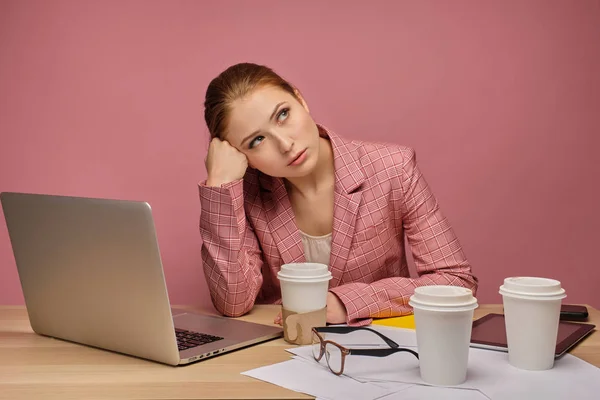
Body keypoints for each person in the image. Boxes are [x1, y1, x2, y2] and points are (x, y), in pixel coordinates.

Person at [198, 62, 478, 327]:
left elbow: (455, 281)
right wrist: (220, 186)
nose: (285, 145)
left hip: (377, 348)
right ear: (238, 154)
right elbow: (233, 303)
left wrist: (348, 302)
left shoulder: (393, 168)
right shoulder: (244, 194)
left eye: (283, 115)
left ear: (300, 99)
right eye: (257, 140)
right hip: (282, 351)